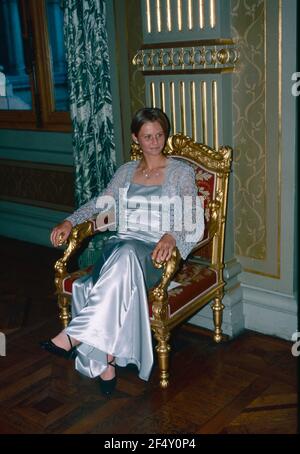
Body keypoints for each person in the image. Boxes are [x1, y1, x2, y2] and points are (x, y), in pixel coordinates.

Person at [41, 107, 204, 395]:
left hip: (155, 257)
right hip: (119, 250)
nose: (154, 142)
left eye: (159, 135)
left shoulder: (181, 172)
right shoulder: (126, 171)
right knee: (124, 250)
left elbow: (192, 216)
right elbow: (99, 205)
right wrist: (70, 220)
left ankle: (86, 344)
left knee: (129, 254)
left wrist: (171, 236)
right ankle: (99, 351)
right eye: (147, 136)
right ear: (135, 138)